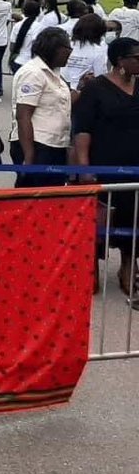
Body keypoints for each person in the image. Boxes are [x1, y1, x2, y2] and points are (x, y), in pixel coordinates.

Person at [73, 37, 139, 295]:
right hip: (104, 165)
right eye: (136, 57)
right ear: (119, 60)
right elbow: (82, 131)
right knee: (99, 221)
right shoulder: (96, 88)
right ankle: (90, 268)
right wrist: (84, 166)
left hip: (135, 168)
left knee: (134, 219)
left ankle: (127, 266)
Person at [10, 27, 76, 189]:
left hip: (55, 144)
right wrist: (29, 155)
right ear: (55, 48)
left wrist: (81, 89)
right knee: (34, 197)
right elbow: (23, 115)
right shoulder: (33, 73)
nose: (70, 53)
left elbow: (59, 105)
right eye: (68, 49)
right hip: (37, 145)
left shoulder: (55, 73)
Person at [62, 14, 110, 88]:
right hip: (82, 90)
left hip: (61, 85)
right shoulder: (98, 50)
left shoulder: (65, 44)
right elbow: (100, 77)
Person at [9, 0, 43, 73]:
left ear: (23, 11)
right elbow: (37, 48)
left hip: (17, 62)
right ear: (38, 12)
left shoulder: (17, 26)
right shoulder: (39, 27)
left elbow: (12, 47)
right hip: (31, 64)